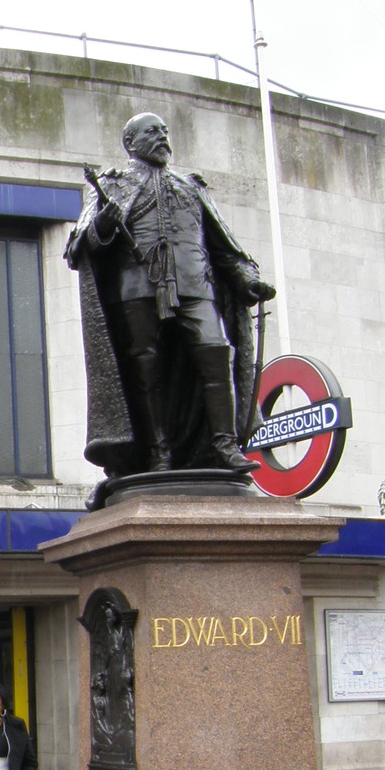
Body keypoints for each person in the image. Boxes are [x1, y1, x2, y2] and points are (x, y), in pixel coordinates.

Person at [64, 111, 276, 500]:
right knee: (147, 370)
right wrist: (105, 225)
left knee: (216, 352)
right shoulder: (112, 185)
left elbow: (224, 246)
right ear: (131, 142)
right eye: (152, 132)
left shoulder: (191, 186)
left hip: (196, 286)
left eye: (164, 131)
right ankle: (158, 452)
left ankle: (225, 445)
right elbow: (78, 246)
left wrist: (247, 279)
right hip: (136, 289)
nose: (163, 137)